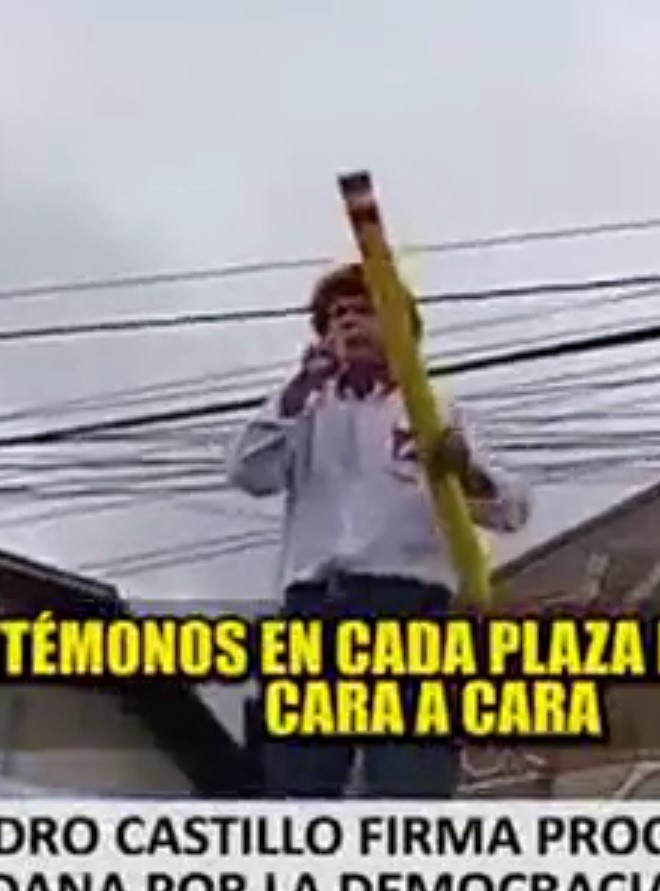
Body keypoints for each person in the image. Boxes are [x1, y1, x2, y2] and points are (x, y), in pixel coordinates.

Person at [226, 262, 531, 799]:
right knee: (298, 790)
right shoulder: (305, 412)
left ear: (399, 327)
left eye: (363, 310)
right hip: (315, 612)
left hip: (410, 611)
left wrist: (464, 471)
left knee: (410, 785)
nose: (347, 322)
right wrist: (299, 388)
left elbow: (512, 509)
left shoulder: (435, 411)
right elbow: (247, 473)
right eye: (334, 316)